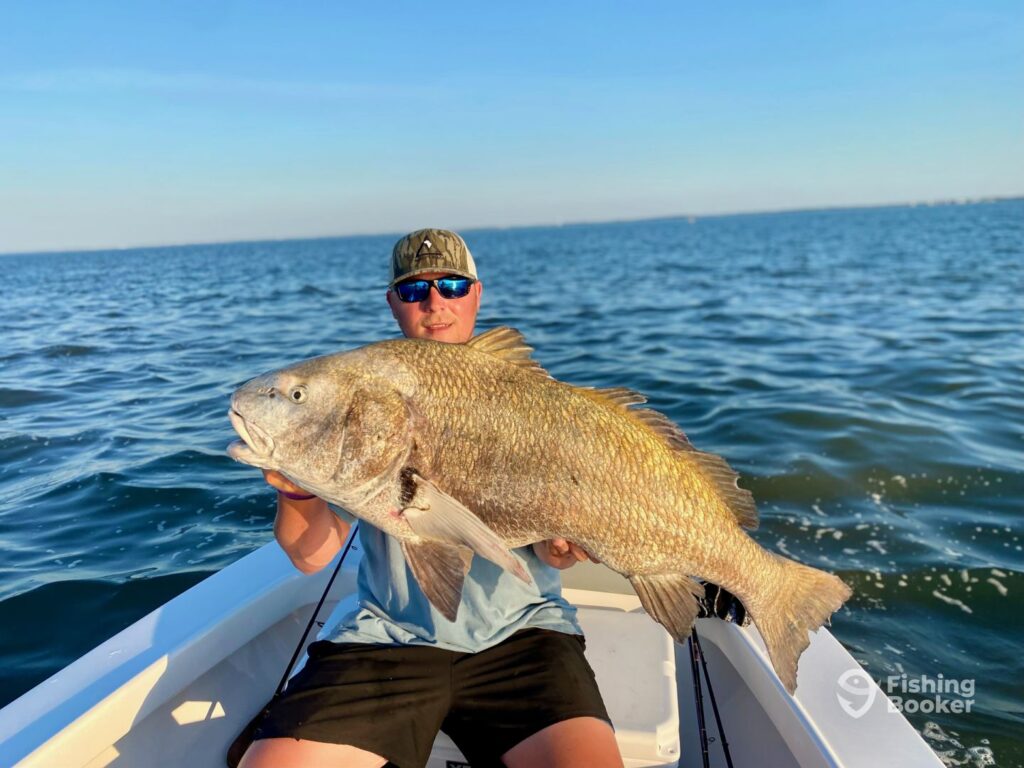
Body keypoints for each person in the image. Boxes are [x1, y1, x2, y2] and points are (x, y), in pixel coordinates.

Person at [239, 229, 623, 768]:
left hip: (524, 634)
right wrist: (299, 487)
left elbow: (553, 554)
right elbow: (313, 556)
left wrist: (568, 545)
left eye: (451, 285)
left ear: (476, 294)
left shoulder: (533, 401)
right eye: (416, 290)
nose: (436, 302)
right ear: (395, 303)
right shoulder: (364, 395)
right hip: (386, 636)